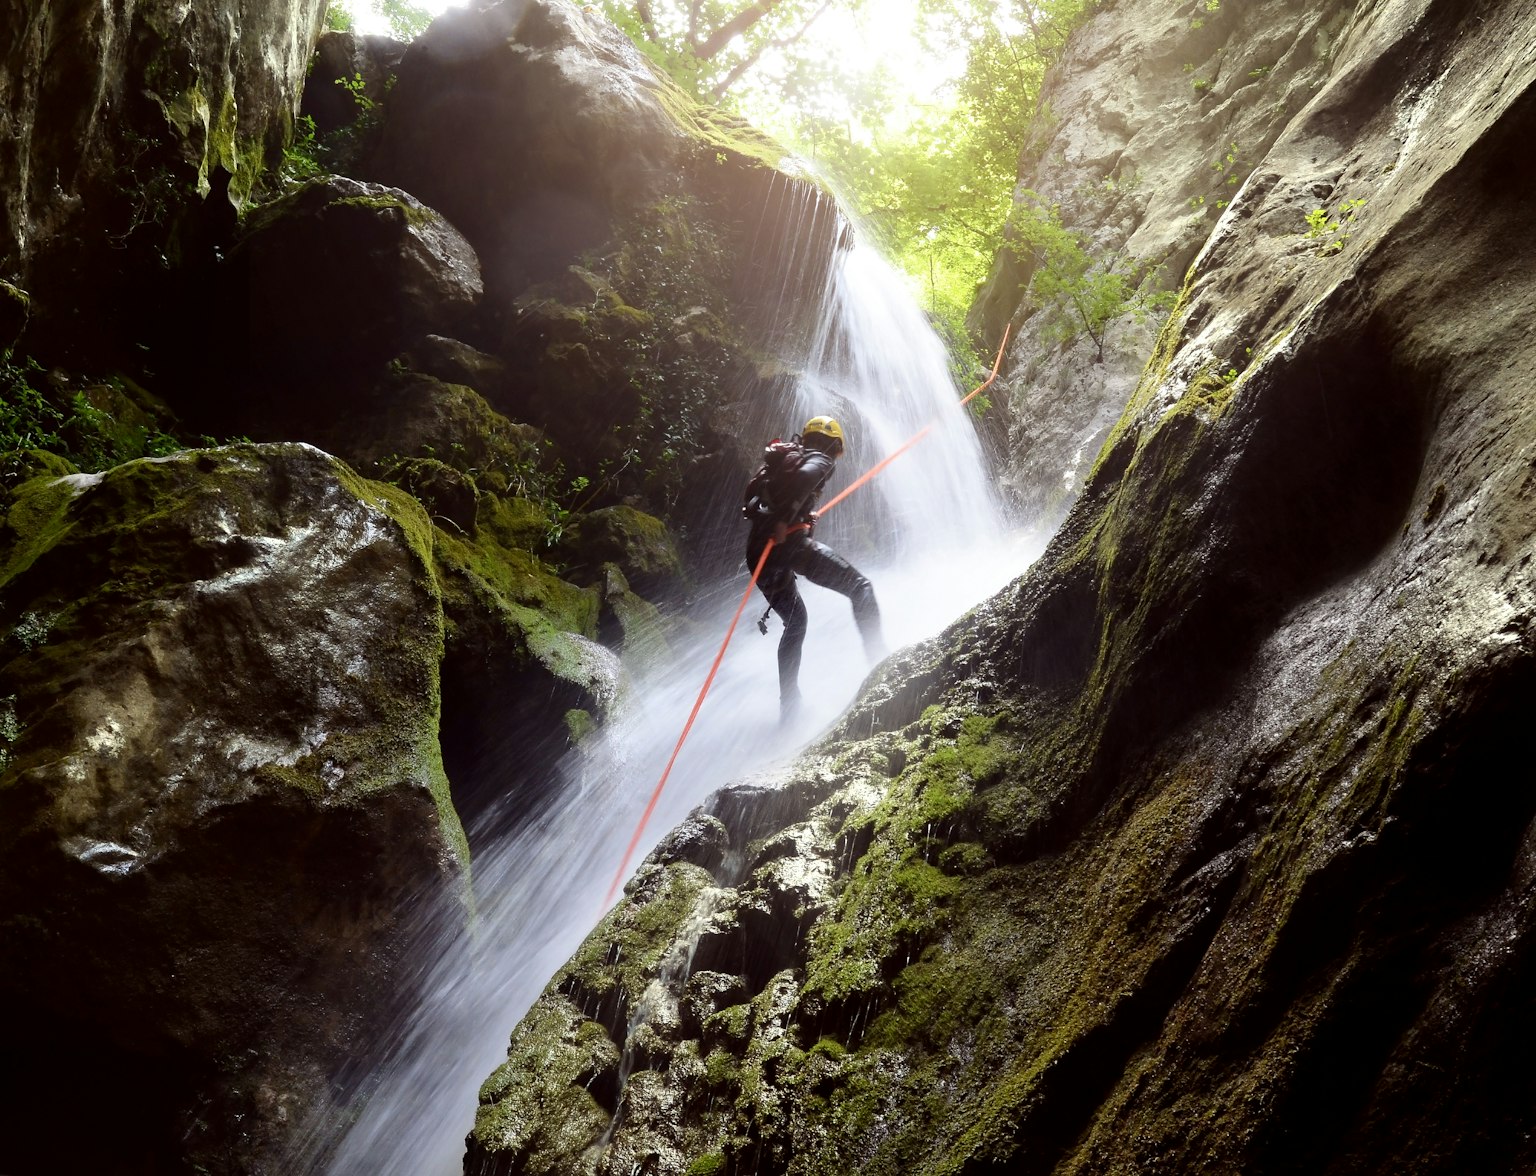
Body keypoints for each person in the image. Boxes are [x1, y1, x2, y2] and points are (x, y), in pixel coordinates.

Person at [743, 415, 884, 720]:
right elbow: (804, 478)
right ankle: (882, 666)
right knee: (861, 588)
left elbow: (754, 504)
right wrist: (784, 519)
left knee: (795, 623)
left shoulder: (778, 464)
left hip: (759, 557)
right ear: (834, 445)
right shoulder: (819, 459)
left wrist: (799, 517)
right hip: (788, 547)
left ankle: (789, 706)